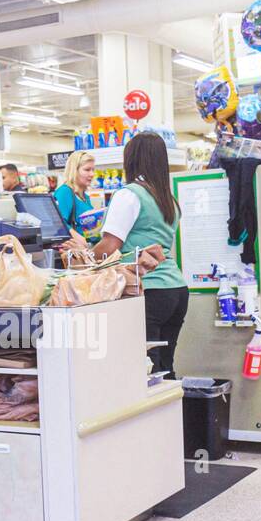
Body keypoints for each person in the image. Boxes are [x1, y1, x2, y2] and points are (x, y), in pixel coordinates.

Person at [70, 132, 181, 376]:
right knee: (165, 369)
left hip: (147, 287)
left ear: (131, 160)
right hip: (176, 289)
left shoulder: (129, 194)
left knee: (144, 372)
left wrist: (84, 254)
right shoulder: (168, 199)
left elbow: (110, 245)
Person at [53, 150, 106, 243]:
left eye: (93, 170)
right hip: (74, 252)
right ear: (74, 170)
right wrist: (79, 239)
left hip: (88, 251)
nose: (92, 174)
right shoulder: (65, 192)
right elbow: (58, 223)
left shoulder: (85, 197)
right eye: (87, 170)